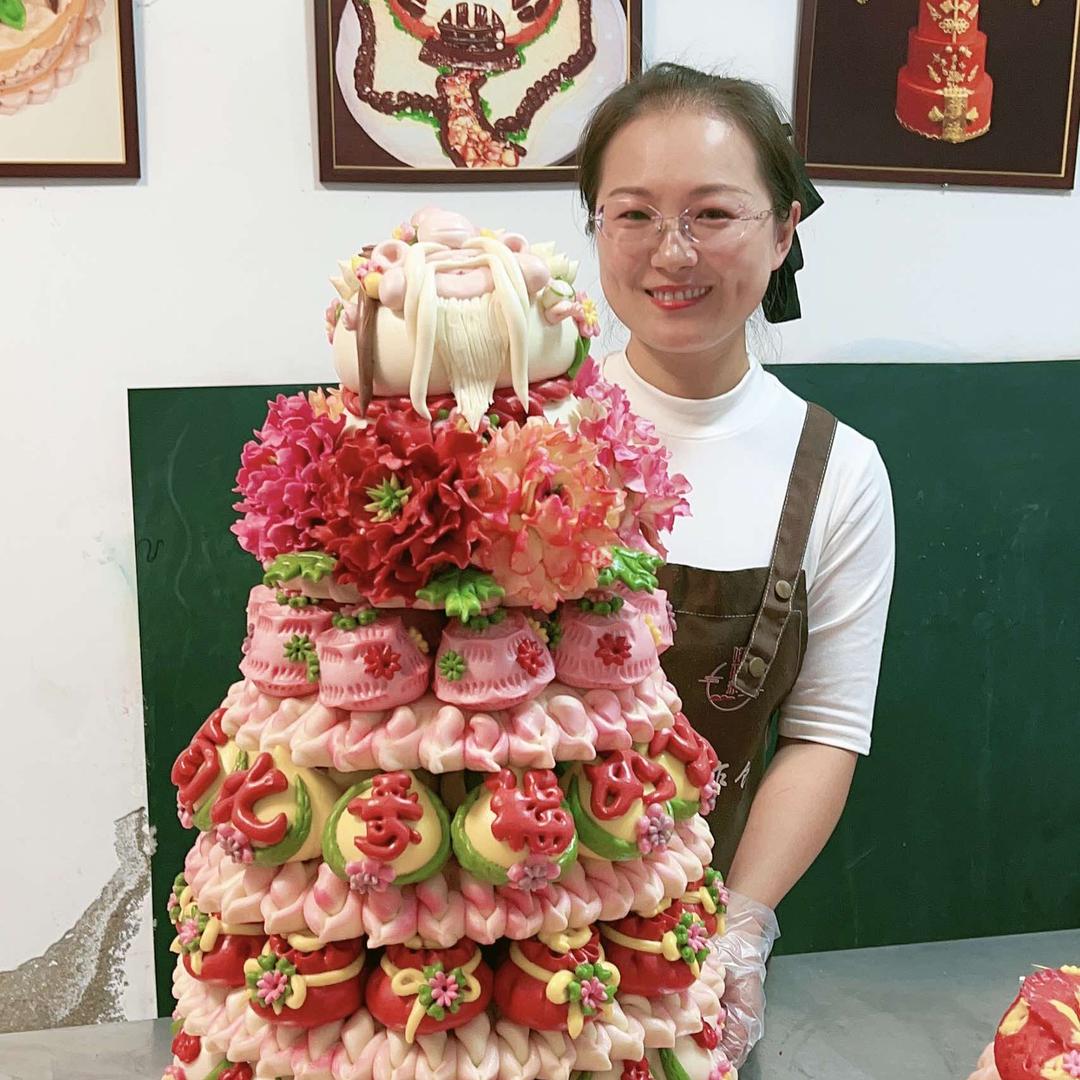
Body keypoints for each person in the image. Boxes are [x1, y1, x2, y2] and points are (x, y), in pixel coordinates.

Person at [576, 63, 896, 1067]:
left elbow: (825, 734)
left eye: (714, 213)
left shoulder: (840, 470)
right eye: (633, 214)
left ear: (784, 228)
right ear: (596, 227)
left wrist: (742, 927)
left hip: (688, 945)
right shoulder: (528, 430)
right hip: (482, 937)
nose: (672, 253)